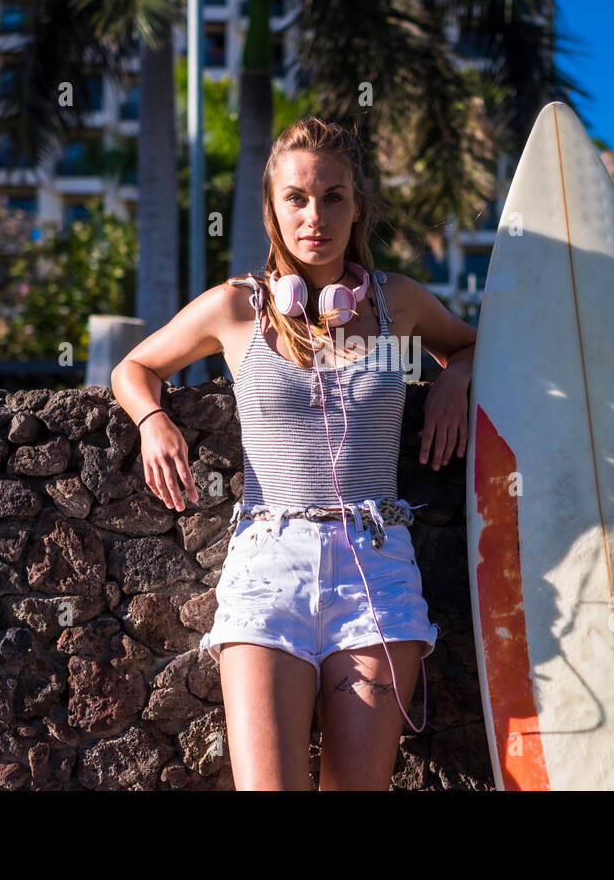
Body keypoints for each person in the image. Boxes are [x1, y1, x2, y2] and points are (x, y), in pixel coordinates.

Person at [110, 117, 476, 790]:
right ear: (273, 208)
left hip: (377, 569)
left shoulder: (400, 304)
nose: (316, 215)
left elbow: (475, 343)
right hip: (267, 567)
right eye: (297, 198)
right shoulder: (235, 308)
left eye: (333, 196)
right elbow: (134, 366)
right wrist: (154, 420)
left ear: (357, 205)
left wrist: (453, 377)